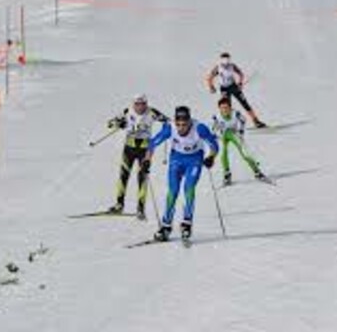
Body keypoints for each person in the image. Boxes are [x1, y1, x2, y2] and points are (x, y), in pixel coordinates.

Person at [143, 106, 219, 241]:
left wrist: (211, 157)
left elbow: (214, 145)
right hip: (176, 159)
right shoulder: (170, 128)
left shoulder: (199, 128)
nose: (181, 128)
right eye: (178, 124)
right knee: (173, 191)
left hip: (194, 160)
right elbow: (153, 143)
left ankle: (187, 223)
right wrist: (147, 160)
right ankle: (166, 226)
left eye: (184, 124)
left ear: (190, 121)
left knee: (189, 188)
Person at [106, 94, 169, 220]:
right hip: (129, 148)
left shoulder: (152, 112)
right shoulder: (127, 111)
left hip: (144, 149)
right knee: (123, 176)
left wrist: (164, 130)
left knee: (142, 178)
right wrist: (119, 123)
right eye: (137, 104)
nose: (140, 107)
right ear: (133, 104)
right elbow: (109, 124)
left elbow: (168, 121)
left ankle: (140, 209)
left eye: (143, 104)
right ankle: (119, 204)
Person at [212, 97, 267, 186]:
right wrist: (214, 134)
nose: (224, 110)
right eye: (222, 108)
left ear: (230, 108)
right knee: (223, 153)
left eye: (226, 108)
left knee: (245, 153)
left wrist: (240, 131)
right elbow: (214, 127)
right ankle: (227, 174)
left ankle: (257, 171)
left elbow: (243, 120)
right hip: (224, 135)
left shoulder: (236, 113)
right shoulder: (217, 116)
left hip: (234, 134)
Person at [205, 52, 267, 128]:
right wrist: (211, 87)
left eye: (227, 60)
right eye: (224, 61)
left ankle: (255, 120)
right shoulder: (218, 67)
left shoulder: (232, 66)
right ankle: (227, 123)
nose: (226, 63)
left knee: (244, 103)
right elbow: (209, 78)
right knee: (226, 107)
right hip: (224, 88)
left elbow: (241, 74)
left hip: (233, 87)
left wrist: (240, 83)